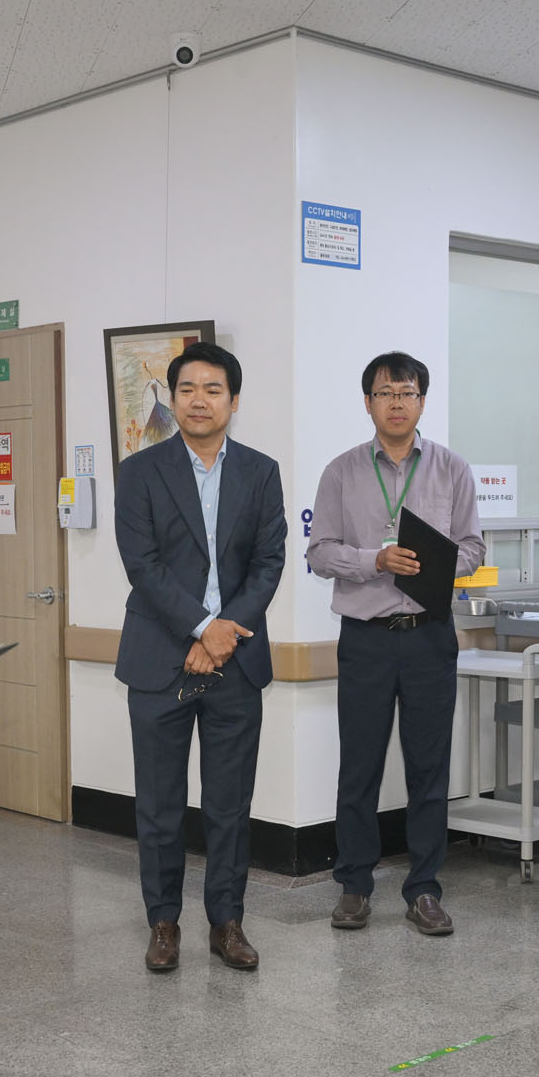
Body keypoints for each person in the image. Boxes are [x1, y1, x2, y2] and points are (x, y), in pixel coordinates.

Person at [114, 341, 287, 972]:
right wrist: (200, 628)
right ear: (173, 397)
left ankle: (227, 922)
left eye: (213, 390)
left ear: (233, 401)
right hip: (159, 658)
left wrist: (224, 634)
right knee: (159, 806)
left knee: (229, 806)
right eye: (187, 389)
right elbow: (143, 565)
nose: (199, 400)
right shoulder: (140, 471)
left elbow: (269, 561)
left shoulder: (261, 472)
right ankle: (163, 923)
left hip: (235, 662)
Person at [308, 352, 483, 935]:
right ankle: (354, 886)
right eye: (385, 393)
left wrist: (432, 562)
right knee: (359, 765)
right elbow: (319, 552)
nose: (397, 403)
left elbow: (473, 548)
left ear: (422, 402)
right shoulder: (341, 472)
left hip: (429, 635)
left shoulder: (452, 469)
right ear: (368, 403)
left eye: (407, 393)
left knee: (429, 768)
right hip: (366, 639)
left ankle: (424, 889)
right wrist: (375, 560)